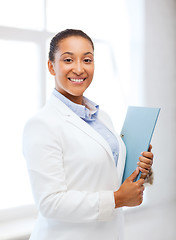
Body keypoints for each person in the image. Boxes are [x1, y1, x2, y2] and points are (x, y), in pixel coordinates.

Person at [23, 29, 154, 240]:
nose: (79, 69)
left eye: (87, 60)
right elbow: (50, 203)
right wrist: (117, 199)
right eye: (68, 59)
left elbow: (106, 174)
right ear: (51, 66)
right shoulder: (41, 125)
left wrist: (140, 169)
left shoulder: (102, 117)